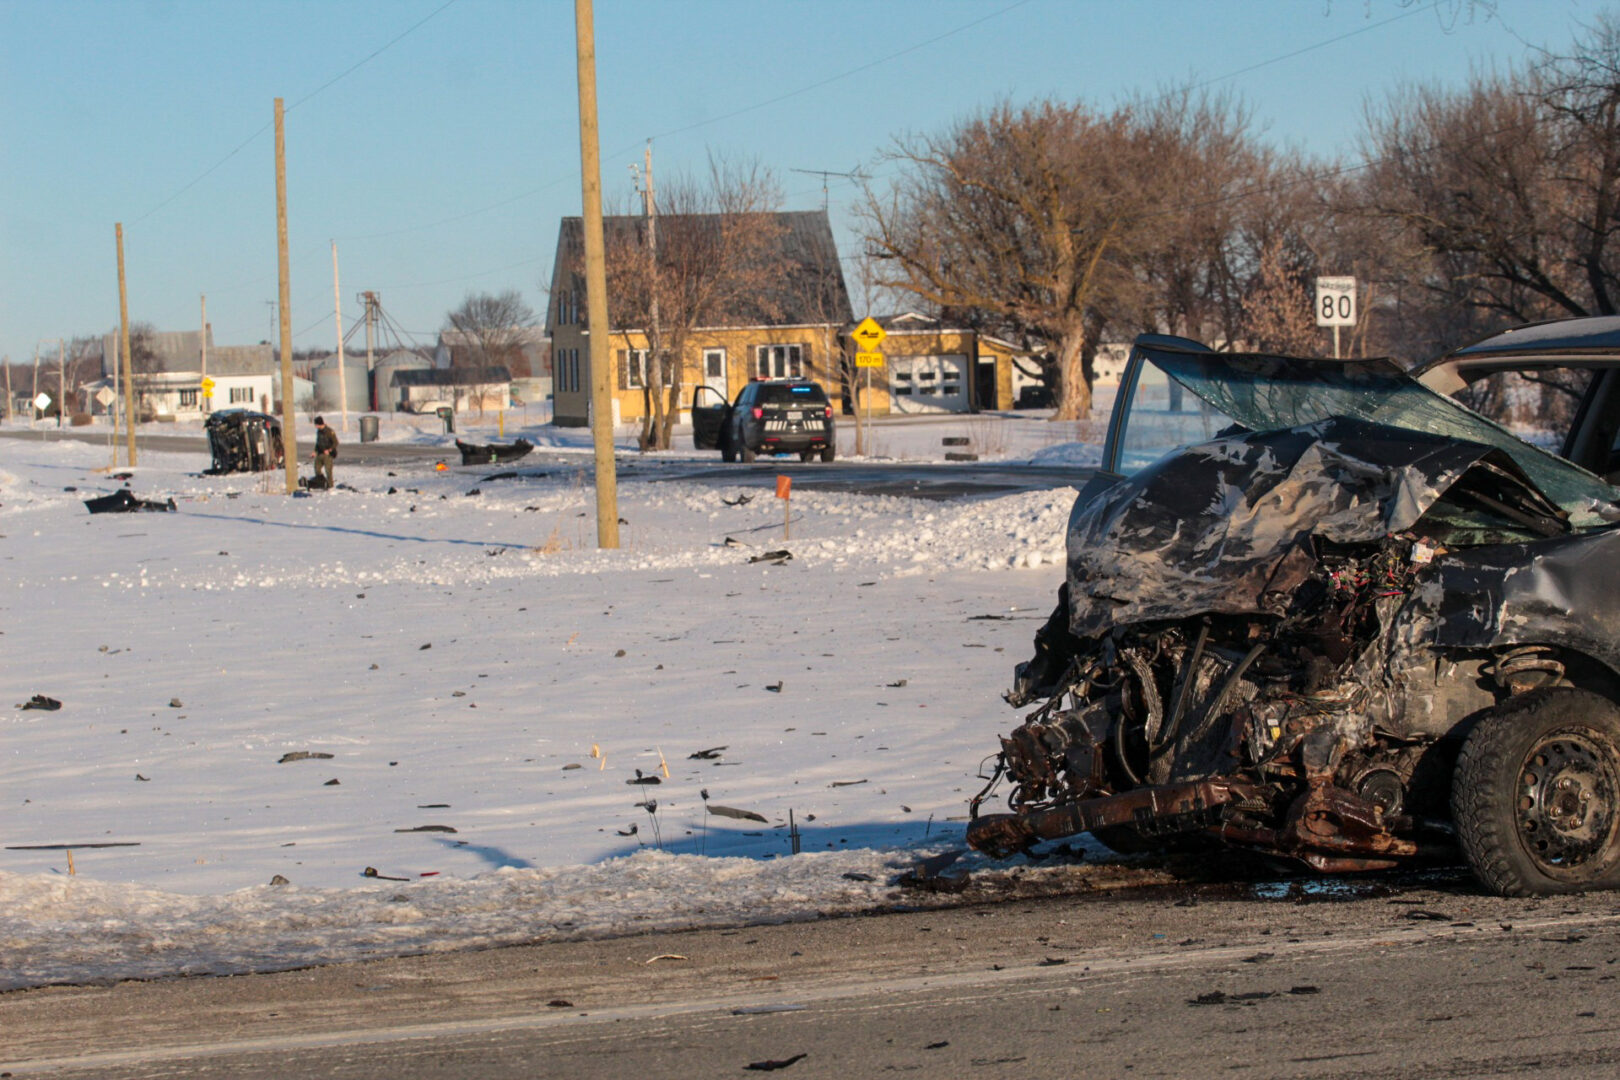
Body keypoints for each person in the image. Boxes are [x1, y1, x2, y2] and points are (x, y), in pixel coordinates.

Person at [312, 416, 338, 489]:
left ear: (319, 424)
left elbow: (335, 442)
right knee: (317, 469)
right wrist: (314, 451)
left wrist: (329, 449)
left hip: (327, 455)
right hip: (320, 453)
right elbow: (318, 443)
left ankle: (330, 486)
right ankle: (321, 483)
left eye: (316, 424)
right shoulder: (319, 432)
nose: (315, 426)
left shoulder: (329, 431)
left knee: (328, 471)